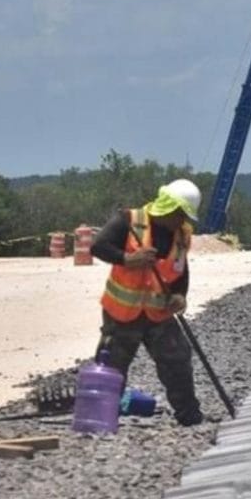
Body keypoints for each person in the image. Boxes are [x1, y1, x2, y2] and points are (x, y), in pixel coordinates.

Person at [90, 178, 204, 426]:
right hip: (122, 314)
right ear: (169, 209)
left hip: (158, 313)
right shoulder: (128, 221)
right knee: (112, 366)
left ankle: (189, 416)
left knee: (177, 360)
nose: (182, 221)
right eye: (180, 215)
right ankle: (100, 419)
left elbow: (181, 268)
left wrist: (180, 295)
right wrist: (127, 259)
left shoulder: (182, 234)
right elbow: (98, 247)